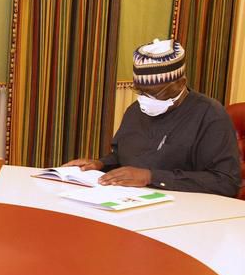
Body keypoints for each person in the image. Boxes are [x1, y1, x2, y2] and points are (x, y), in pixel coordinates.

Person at [63, 39, 241, 197]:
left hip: (185, 214)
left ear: (180, 83)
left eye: (155, 93)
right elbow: (122, 157)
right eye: (140, 91)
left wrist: (151, 177)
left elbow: (225, 182)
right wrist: (100, 164)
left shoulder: (210, 115)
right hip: (130, 203)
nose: (146, 99)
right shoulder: (136, 110)